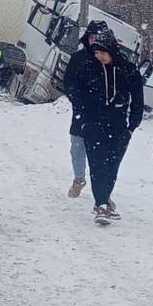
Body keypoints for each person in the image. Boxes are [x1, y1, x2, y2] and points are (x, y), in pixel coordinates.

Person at [73, 28, 143, 224]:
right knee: (97, 165)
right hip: (93, 126)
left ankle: (104, 198)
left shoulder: (128, 70)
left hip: (119, 127)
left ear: (111, 50)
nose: (98, 56)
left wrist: (132, 125)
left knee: (112, 166)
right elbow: (76, 93)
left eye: (102, 52)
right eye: (95, 53)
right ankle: (101, 204)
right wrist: (84, 120)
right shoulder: (88, 69)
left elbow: (138, 99)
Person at [62, 20, 112, 198]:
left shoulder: (110, 60)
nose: (94, 41)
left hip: (104, 114)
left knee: (101, 153)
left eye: (98, 37)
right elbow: (68, 82)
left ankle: (103, 191)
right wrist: (77, 101)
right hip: (81, 112)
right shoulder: (79, 58)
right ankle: (79, 179)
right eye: (92, 37)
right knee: (77, 147)